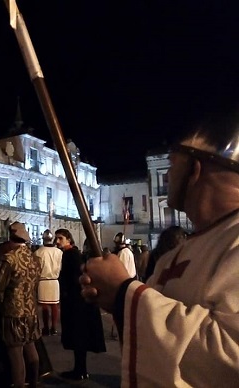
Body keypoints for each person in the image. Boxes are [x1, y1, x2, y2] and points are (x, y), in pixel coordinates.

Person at [80, 105, 239, 386]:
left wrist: (124, 293)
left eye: (173, 166)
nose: (167, 177)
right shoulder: (175, 255)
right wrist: (118, 303)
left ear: (195, 170)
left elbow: (229, 357)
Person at [0, 222, 41, 388]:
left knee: (16, 354)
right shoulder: (35, 259)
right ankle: (34, 382)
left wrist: (0, 304)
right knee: (31, 350)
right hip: (31, 311)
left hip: (12, 312)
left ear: (10, 237)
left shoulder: (9, 258)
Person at [55, 229, 106, 381]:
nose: (57, 241)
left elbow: (75, 279)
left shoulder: (72, 255)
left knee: (79, 336)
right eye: (56, 238)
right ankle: (80, 369)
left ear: (69, 240)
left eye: (60, 238)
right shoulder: (70, 254)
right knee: (78, 337)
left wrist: (68, 292)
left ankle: (80, 370)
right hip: (76, 302)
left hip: (76, 303)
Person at [33, 229, 62, 336]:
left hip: (43, 281)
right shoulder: (59, 252)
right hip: (54, 281)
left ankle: (46, 327)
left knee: (45, 306)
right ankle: (53, 327)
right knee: (54, 305)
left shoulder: (38, 252)